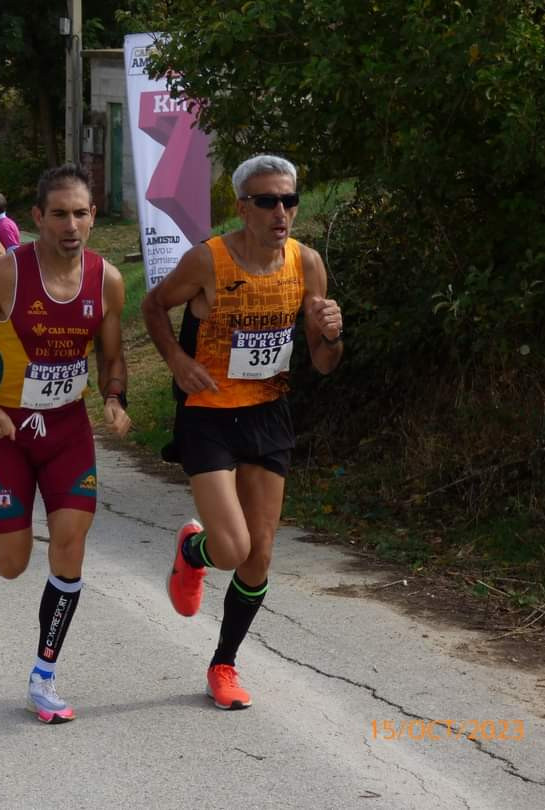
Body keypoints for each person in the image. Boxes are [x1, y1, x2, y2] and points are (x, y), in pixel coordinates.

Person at [141, 154, 344, 711]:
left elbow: (324, 364)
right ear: (242, 207)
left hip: (268, 412)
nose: (281, 211)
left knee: (260, 556)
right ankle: (195, 548)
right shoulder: (209, 260)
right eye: (267, 201)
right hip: (208, 412)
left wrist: (330, 336)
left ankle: (224, 664)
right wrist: (178, 361)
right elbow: (154, 305)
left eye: (289, 200)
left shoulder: (307, 264)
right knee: (231, 548)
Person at [0, 164, 130, 724]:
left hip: (68, 432)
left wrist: (115, 398)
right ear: (38, 218)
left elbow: (111, 354)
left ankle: (43, 675)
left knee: (70, 542)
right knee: (10, 565)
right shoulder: (6, 275)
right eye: (60, 214)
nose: (71, 225)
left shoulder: (107, 279)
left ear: (93, 216)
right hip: (10, 434)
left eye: (81, 213)